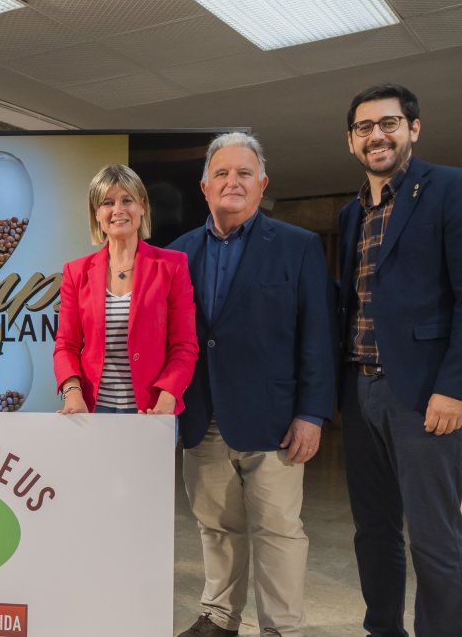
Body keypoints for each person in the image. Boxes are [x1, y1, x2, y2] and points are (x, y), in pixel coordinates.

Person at [338, 83, 462, 637]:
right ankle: (383, 629)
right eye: (364, 127)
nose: (376, 135)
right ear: (351, 141)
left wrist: (455, 388)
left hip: (429, 394)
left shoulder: (456, 188)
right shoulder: (351, 212)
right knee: (373, 530)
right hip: (361, 393)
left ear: (414, 128)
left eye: (388, 123)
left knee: (434, 537)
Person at [167, 133, 335, 637]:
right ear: (205, 186)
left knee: (280, 529)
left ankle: (281, 627)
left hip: (276, 420)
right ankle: (219, 616)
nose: (232, 182)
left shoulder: (298, 247)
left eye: (243, 173)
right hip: (202, 415)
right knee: (216, 525)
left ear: (262, 185)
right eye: (221, 173)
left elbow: (318, 336)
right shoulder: (176, 254)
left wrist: (313, 413)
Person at [52, 164, 198, 416]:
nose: (118, 210)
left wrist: (168, 397)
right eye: (107, 203)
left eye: (126, 200)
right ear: (97, 213)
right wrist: (71, 391)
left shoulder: (173, 266)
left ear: (142, 206)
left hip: (152, 410)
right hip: (92, 410)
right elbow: (66, 344)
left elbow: (184, 345)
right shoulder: (76, 272)